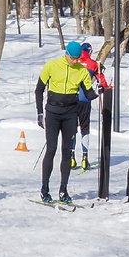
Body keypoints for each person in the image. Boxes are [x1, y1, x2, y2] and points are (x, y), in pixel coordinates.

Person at [35, 42, 97, 204]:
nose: (75, 61)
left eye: (78, 59)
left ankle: (63, 190)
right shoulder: (52, 65)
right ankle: (45, 189)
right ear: (67, 54)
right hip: (53, 112)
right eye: (73, 58)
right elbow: (39, 89)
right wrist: (40, 113)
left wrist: (101, 91)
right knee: (51, 149)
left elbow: (88, 92)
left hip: (70, 113)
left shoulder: (82, 71)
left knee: (67, 152)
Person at [74, 42, 103, 171]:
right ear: (90, 51)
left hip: (72, 99)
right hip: (86, 99)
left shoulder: (74, 62)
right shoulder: (93, 64)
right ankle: (85, 158)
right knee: (84, 129)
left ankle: (71, 157)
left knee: (72, 129)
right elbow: (101, 81)